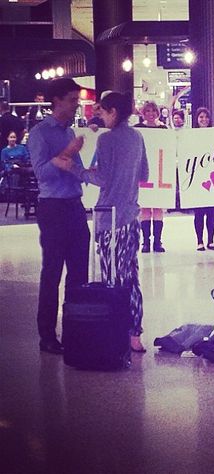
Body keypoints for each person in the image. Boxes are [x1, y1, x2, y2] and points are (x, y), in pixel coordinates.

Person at [52, 91, 149, 353]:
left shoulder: (106, 141)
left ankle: (115, 330)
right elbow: (144, 173)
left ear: (113, 112)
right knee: (130, 275)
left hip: (109, 218)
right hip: (130, 216)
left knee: (111, 278)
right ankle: (135, 333)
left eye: (103, 112)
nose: (101, 117)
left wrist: (75, 169)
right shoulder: (138, 137)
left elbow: (103, 180)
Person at [28, 78, 90, 355]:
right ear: (57, 101)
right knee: (52, 271)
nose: (77, 105)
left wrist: (86, 170)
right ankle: (47, 335)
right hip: (52, 208)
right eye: (73, 100)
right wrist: (67, 153)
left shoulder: (69, 131)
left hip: (75, 205)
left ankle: (76, 329)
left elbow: (74, 167)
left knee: (79, 271)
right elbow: (41, 172)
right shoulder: (40, 133)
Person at [134, 101, 167, 253]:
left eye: (153, 111)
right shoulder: (137, 130)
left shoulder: (163, 129)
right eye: (148, 111)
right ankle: (146, 242)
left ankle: (157, 242)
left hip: (160, 170)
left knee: (158, 206)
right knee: (145, 207)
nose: (151, 114)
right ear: (143, 113)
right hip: (143, 170)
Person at [192, 107, 214, 251]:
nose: (204, 120)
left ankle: (211, 240)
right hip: (197, 178)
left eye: (206, 117)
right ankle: (199, 241)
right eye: (201, 117)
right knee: (199, 212)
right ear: (196, 119)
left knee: (211, 211)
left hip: (211, 177)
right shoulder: (191, 136)